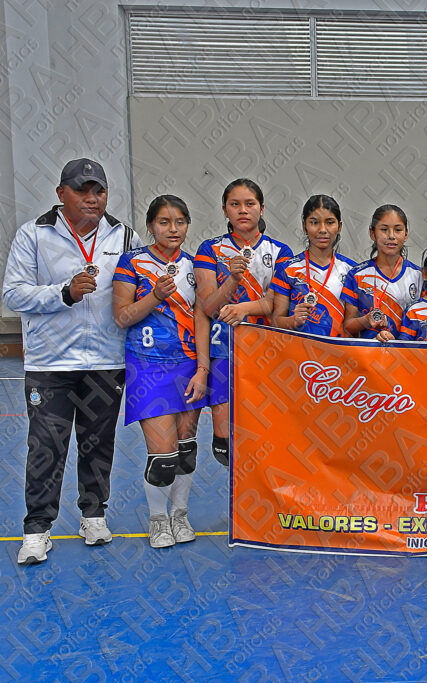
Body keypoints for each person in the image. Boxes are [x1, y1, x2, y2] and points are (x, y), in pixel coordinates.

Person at [2, 158, 142, 565]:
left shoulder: (124, 236)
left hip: (105, 359)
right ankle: (36, 529)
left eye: (99, 191)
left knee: (98, 443)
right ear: (62, 194)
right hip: (50, 364)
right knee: (46, 446)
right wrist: (63, 292)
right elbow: (13, 294)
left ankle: (93, 514)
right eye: (82, 191)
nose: (92, 199)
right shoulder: (34, 234)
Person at [112, 196, 209, 548]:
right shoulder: (133, 262)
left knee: (186, 449)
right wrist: (154, 295)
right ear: (151, 224)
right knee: (163, 458)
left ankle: (180, 515)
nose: (173, 229)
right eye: (165, 222)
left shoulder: (195, 265)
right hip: (147, 368)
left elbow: (202, 318)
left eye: (180, 222)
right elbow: (121, 317)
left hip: (187, 366)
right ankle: (157, 520)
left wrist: (202, 369)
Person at [194, 179, 293, 468]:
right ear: (225, 210)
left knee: (265, 436)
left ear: (262, 209)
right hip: (223, 351)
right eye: (235, 204)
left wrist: (244, 308)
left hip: (265, 353)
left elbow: (277, 305)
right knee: (225, 446)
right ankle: (239, 511)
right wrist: (233, 281)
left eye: (250, 204)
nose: (243, 210)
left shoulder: (280, 252)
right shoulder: (210, 249)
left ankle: (262, 508)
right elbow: (209, 307)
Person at [271, 195, 356, 337]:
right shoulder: (286, 269)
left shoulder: (352, 272)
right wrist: (293, 320)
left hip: (338, 355)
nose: (322, 229)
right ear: (305, 226)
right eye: (314, 222)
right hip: (298, 356)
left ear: (339, 226)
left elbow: (353, 326)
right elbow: (275, 321)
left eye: (329, 222)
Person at [341, 204, 423, 342]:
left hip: (407, 357)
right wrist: (366, 320)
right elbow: (348, 326)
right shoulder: (356, 275)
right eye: (384, 229)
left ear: (406, 234)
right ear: (372, 233)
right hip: (368, 358)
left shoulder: (419, 276)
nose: (391, 236)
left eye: (398, 230)